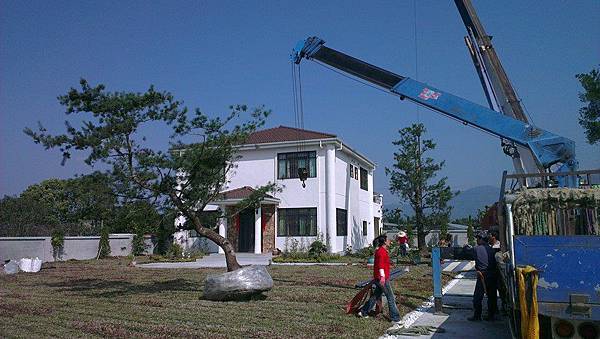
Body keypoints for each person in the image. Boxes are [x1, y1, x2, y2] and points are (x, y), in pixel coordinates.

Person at [358, 235, 402, 325]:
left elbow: (383, 263)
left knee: (376, 296)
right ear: (384, 242)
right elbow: (381, 266)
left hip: (379, 278)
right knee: (390, 297)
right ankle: (395, 318)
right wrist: (382, 277)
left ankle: (363, 311)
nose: (390, 241)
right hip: (382, 279)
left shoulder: (381, 251)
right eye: (388, 239)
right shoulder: (381, 252)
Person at [468, 231, 498, 322]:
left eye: (477, 238)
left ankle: (477, 316)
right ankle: (491, 316)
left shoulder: (477, 249)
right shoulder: (491, 249)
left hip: (482, 275)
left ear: (481, 239)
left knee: (478, 296)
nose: (476, 240)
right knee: (492, 296)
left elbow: (466, 252)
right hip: (492, 274)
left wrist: (466, 248)